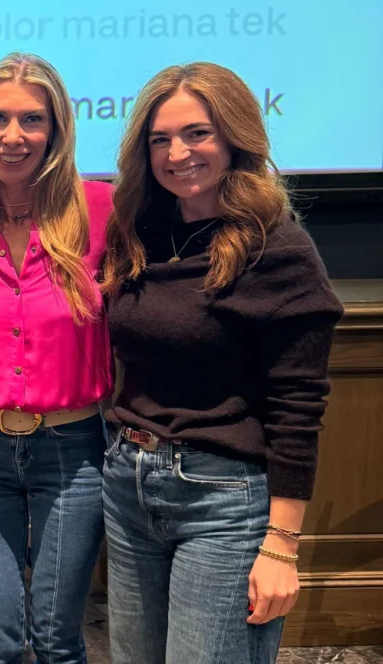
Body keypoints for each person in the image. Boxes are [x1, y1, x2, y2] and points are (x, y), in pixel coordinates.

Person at [100, 62, 344, 664]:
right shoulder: (141, 231)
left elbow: (297, 408)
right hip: (129, 482)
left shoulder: (276, 247)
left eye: (197, 134)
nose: (178, 153)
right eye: (161, 139)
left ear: (235, 137)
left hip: (223, 499)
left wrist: (282, 545)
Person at [0, 52, 114, 664]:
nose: (13, 136)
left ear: (57, 131)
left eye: (32, 120)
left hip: (73, 453)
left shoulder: (100, 213)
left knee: (58, 636)